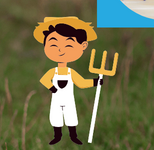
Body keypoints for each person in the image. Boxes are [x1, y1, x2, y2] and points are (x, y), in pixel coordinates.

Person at [35, 17, 104, 145]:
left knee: (71, 116)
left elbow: (81, 83)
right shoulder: (53, 71)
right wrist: (52, 88)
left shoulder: (70, 72)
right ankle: (57, 136)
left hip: (68, 100)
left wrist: (95, 82)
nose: (60, 50)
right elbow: (44, 80)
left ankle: (73, 136)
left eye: (68, 45)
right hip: (56, 99)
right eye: (54, 45)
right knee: (56, 117)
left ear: (82, 46)